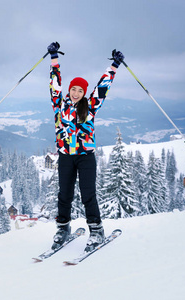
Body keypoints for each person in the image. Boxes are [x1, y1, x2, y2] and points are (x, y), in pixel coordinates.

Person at [47, 41, 124, 252]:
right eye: (73, 89)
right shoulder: (59, 105)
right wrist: (54, 58)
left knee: (88, 193)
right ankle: (62, 228)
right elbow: (55, 83)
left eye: (80, 90)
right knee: (64, 194)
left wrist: (114, 66)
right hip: (65, 156)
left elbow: (103, 87)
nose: (75, 92)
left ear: (84, 93)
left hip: (85, 156)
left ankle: (97, 230)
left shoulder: (90, 107)